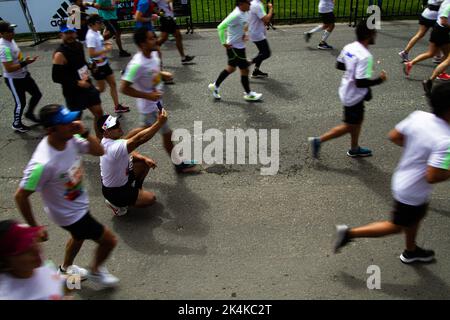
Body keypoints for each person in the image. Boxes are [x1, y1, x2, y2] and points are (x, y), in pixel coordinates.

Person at [334, 82, 450, 264]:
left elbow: (394, 136)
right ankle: (349, 233)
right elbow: (433, 176)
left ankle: (411, 251)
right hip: (412, 192)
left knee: (414, 218)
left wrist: (417, 149)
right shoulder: (446, 140)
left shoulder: (419, 117)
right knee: (396, 227)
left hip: (403, 179)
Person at [15, 104, 120, 287]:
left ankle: (65, 270)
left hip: (76, 204)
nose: (72, 124)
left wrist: (86, 132)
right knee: (109, 241)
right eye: (65, 122)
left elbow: (99, 151)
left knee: (78, 237)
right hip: (71, 215)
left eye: (71, 119)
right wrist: (34, 228)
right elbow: (20, 196)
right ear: (51, 130)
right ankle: (95, 271)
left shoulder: (71, 138)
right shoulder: (42, 163)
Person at [120, 28, 197, 173]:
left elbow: (152, 72)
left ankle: (117, 148)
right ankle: (178, 164)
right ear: (142, 44)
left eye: (154, 37)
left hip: (156, 104)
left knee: (146, 131)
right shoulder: (137, 64)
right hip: (149, 107)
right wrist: (148, 96)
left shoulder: (154, 54)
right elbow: (124, 88)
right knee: (161, 134)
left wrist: (162, 74)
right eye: (151, 38)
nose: (155, 40)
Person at [308, 20, 387, 158]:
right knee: (349, 126)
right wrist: (380, 80)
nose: (375, 35)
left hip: (347, 90)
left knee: (358, 121)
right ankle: (318, 141)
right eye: (374, 32)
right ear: (369, 35)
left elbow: (339, 65)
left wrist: (352, 68)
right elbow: (360, 82)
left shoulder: (349, 47)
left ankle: (354, 148)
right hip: (353, 96)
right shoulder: (366, 57)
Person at [98, 111, 167, 215]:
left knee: (143, 163)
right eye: (114, 126)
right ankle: (116, 205)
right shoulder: (112, 148)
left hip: (122, 179)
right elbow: (139, 139)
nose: (119, 126)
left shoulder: (110, 140)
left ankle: (136, 191)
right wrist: (159, 123)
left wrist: (143, 158)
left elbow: (128, 148)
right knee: (151, 199)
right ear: (105, 133)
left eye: (117, 122)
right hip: (115, 192)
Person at [52, 22, 104, 139]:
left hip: (87, 85)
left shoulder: (78, 45)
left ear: (76, 33)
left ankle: (100, 141)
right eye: (67, 33)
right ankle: (76, 146)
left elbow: (81, 62)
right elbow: (56, 77)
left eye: (72, 32)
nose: (70, 35)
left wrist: (90, 66)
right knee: (75, 121)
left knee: (99, 112)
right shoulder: (59, 54)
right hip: (73, 91)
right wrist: (77, 83)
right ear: (61, 34)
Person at [208, 0, 263, 101]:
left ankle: (215, 85)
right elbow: (220, 27)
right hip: (234, 48)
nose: (250, 4)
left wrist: (244, 34)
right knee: (245, 69)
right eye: (248, 2)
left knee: (231, 68)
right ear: (241, 3)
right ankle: (249, 94)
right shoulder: (235, 15)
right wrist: (223, 42)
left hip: (239, 46)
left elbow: (242, 25)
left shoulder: (244, 12)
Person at [0, 220, 69, 300]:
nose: (36, 249)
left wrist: (74, 282)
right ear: (6, 263)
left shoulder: (34, 266)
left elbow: (55, 279)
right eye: (24, 250)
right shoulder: (9, 296)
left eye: (32, 240)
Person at [0, 20, 42, 133]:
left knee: (37, 94)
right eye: (9, 31)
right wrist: (25, 63)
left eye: (13, 29)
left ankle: (29, 113)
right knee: (20, 103)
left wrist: (25, 61)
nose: (12, 32)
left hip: (24, 75)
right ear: (1, 33)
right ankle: (16, 124)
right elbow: (9, 68)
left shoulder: (11, 40)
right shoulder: (4, 48)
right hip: (14, 79)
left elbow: (17, 58)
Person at [85, 14, 130, 113]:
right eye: (99, 22)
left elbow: (99, 44)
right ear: (92, 24)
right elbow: (91, 53)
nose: (101, 23)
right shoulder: (91, 36)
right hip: (97, 66)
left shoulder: (96, 32)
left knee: (113, 84)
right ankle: (87, 99)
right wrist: (106, 49)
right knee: (101, 89)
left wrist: (105, 44)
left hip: (104, 63)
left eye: (101, 21)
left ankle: (117, 107)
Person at [404, 0, 450, 79]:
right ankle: (439, 74)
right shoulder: (448, 4)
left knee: (430, 53)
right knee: (447, 55)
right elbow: (443, 20)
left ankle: (410, 63)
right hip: (443, 31)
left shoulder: (445, 2)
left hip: (437, 28)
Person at [153, 0, 195, 64]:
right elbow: (153, 5)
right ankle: (149, 51)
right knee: (163, 39)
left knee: (177, 36)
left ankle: (183, 58)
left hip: (170, 18)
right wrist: (160, 13)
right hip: (166, 19)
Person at [248, 0, 273, 78]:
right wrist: (271, 9)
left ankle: (256, 71)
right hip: (257, 34)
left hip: (255, 31)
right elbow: (266, 19)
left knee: (262, 52)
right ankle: (247, 63)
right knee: (266, 53)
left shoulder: (254, 3)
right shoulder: (257, 5)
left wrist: (266, 23)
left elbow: (262, 19)